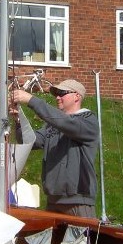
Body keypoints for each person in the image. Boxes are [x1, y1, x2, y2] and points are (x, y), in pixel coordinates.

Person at [9, 79, 99, 218]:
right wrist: (19, 121)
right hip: (53, 200)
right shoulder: (53, 125)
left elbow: (66, 123)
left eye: (62, 93)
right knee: (49, 241)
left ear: (77, 96)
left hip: (78, 201)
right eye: (56, 93)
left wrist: (31, 100)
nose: (57, 97)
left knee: (80, 240)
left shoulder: (88, 120)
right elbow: (30, 141)